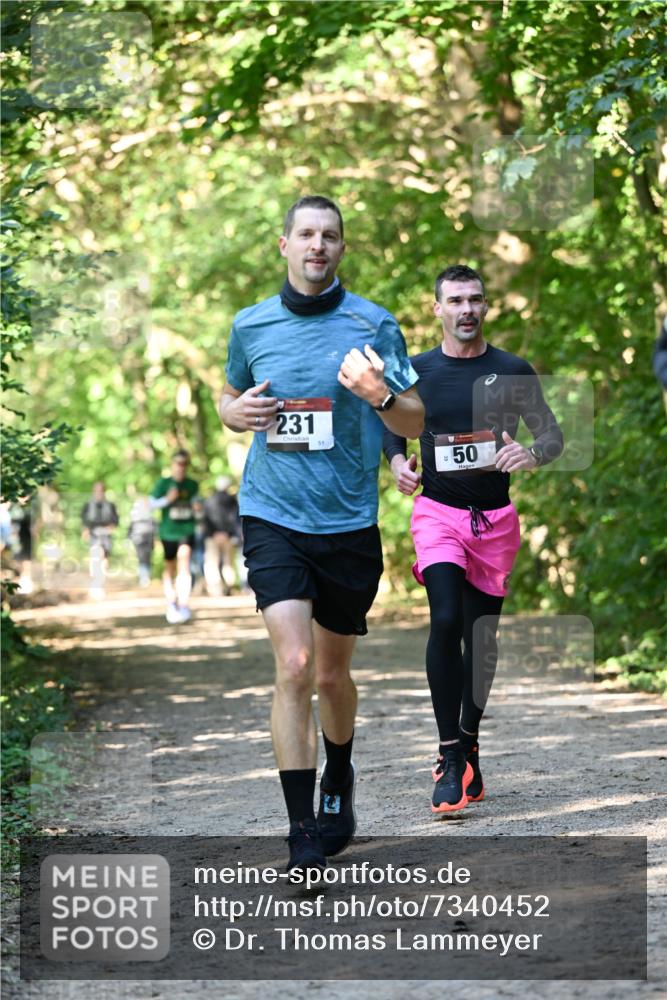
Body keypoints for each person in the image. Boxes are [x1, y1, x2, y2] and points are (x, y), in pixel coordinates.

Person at [219, 195, 423, 874]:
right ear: (283, 245)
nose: (316, 245)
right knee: (295, 667)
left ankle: (339, 770)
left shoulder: (373, 323)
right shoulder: (250, 326)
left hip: (347, 523)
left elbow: (414, 421)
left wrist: (377, 394)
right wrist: (232, 411)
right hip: (272, 513)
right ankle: (301, 828)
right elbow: (229, 397)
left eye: (329, 236)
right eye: (305, 234)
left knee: (333, 677)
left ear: (341, 248)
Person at [384, 264, 563, 816]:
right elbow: (391, 429)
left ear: (486, 307)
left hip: (495, 521)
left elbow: (552, 435)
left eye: (475, 300)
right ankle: (448, 756)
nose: (466, 309)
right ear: (436, 308)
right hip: (437, 513)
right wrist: (397, 464)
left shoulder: (512, 370)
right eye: (455, 300)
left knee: (481, 638)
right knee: (444, 619)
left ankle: (469, 741)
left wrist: (529, 454)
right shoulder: (415, 372)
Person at [150, 450, 198, 624]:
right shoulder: (163, 484)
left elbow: (196, 502)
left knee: (184, 562)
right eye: (178, 463)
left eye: (184, 463)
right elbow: (150, 504)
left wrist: (198, 507)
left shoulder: (192, 484)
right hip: (168, 531)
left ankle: (184, 604)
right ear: (172, 464)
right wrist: (167, 500)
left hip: (187, 530)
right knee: (170, 567)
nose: (181, 467)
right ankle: (171, 603)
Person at [203, 476, 242, 595]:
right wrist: (230, 534)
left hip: (212, 537)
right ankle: (229, 587)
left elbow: (205, 519)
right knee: (228, 562)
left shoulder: (209, 500)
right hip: (228, 537)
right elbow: (235, 519)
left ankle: (216, 590)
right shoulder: (232, 501)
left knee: (212, 563)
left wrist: (212, 533)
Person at [80, 482, 119, 599]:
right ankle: (96, 584)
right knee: (96, 557)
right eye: (96, 490)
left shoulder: (110, 505)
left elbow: (115, 521)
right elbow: (84, 520)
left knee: (104, 560)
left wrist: (110, 528)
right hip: (94, 535)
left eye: (100, 490)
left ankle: (99, 584)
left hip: (106, 535)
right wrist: (85, 531)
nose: (98, 492)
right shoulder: (88, 505)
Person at [127, 496, 156, 588]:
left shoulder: (150, 517)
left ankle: (145, 576)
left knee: (146, 558)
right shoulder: (135, 517)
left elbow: (155, 528)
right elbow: (130, 530)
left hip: (148, 539)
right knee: (142, 558)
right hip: (139, 540)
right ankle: (144, 577)